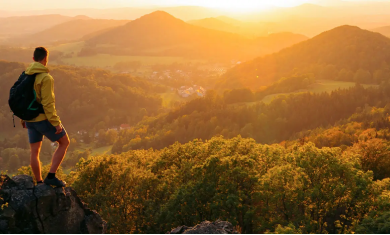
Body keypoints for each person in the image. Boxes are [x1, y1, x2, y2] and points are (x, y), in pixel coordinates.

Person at [21, 47, 70, 187]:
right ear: (45, 60)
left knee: (34, 151)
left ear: (33, 59)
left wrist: (23, 118)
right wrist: (56, 123)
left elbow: (23, 99)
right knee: (65, 142)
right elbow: (48, 104)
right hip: (42, 119)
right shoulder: (46, 78)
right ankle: (51, 176)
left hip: (29, 119)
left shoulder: (26, 75)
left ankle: (40, 182)